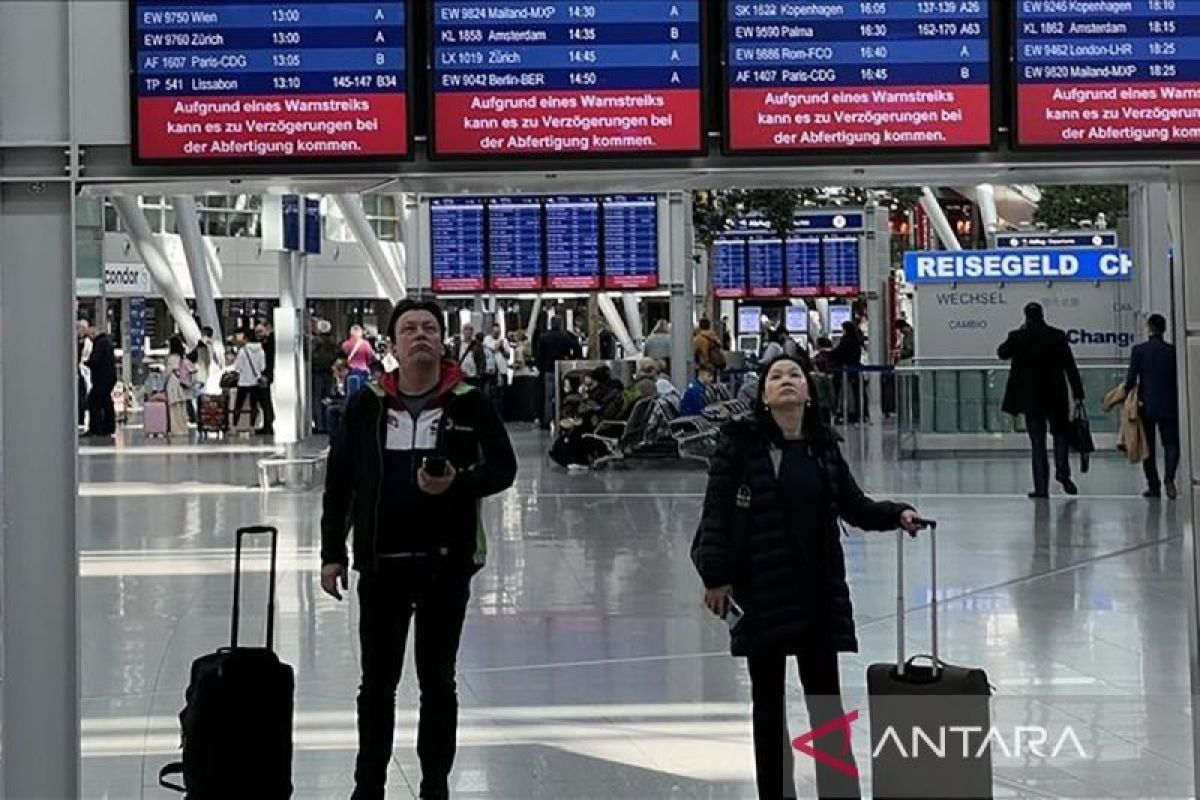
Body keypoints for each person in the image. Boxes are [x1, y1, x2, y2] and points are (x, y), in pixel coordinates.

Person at [694, 354, 923, 799]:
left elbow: (853, 505)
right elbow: (715, 515)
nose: (786, 381)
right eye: (775, 376)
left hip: (817, 591)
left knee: (826, 704)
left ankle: (839, 792)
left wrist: (897, 514)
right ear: (763, 395)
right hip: (762, 591)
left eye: (794, 375)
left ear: (808, 392)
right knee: (768, 707)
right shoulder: (739, 445)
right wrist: (715, 576)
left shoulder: (823, 447)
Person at [320, 298, 517, 800]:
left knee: (438, 682)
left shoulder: (469, 401)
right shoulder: (366, 404)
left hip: (445, 563)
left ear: (442, 339)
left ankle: (435, 786)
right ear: (392, 344)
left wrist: (458, 483)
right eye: (409, 328)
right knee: (376, 684)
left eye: (429, 327)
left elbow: (503, 468)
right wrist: (332, 551)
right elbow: (340, 481)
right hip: (381, 564)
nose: (420, 335)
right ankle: (369, 786)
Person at [998, 302, 1085, 498]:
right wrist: (1078, 393)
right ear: (1042, 315)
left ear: (1026, 316)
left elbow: (1002, 353)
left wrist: (1020, 331)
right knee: (1061, 435)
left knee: (1038, 443)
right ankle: (1062, 472)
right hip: (1056, 396)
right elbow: (1070, 366)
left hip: (1031, 399)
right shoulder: (1057, 336)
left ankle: (1041, 488)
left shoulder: (1018, 336)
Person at [1125, 313, 1180, 499]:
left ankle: (1153, 486)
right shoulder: (1173, 352)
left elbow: (1131, 380)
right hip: (1170, 404)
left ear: (1149, 328)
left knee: (1147, 447)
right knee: (1171, 444)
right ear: (1164, 329)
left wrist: (1125, 394)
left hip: (1146, 405)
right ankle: (1169, 478)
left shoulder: (1139, 351)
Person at [534, 317, 582, 430]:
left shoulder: (544, 337)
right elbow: (577, 348)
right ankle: (560, 419)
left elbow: (538, 355)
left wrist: (541, 367)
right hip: (562, 369)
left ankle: (547, 421)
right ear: (561, 324)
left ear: (550, 324)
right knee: (561, 395)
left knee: (548, 397)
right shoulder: (565, 337)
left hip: (547, 370)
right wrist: (570, 358)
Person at [232, 329, 268, 433]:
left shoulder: (242, 351)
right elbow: (263, 367)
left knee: (238, 405)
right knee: (254, 406)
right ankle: (252, 426)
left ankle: (235, 426)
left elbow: (237, 367)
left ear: (246, 339)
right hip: (255, 382)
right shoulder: (261, 351)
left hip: (243, 382)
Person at [85, 323, 117, 439]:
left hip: (101, 379)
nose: (89, 338)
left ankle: (96, 428)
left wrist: (86, 363)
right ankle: (108, 427)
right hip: (109, 378)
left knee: (94, 401)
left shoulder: (99, 343)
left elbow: (95, 360)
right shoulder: (107, 341)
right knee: (106, 401)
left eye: (89, 335)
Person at [311, 319, 341, 433]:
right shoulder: (333, 341)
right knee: (327, 398)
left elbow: (310, 354)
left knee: (317, 399)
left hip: (317, 372)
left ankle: (319, 425)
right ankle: (327, 423)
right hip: (329, 372)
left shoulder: (315, 341)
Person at [164, 335, 195, 438]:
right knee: (182, 408)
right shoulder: (182, 357)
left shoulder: (171, 358)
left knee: (174, 408)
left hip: (173, 383)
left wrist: (163, 384)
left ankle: (176, 430)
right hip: (182, 383)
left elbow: (167, 373)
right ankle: (183, 428)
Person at [255, 321, 276, 435]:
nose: (258, 335)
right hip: (265, 374)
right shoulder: (264, 344)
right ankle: (267, 422)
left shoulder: (268, 344)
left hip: (264, 374)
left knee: (265, 400)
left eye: (260, 332)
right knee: (264, 400)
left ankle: (268, 421)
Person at [344, 324, 375, 396]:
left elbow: (342, 356)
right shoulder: (365, 344)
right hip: (362, 372)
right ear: (361, 333)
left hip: (350, 371)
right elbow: (370, 357)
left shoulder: (346, 344)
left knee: (349, 392)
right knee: (363, 393)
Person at [77, 319, 93, 429]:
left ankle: (81, 418)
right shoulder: (75, 341)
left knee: (83, 395)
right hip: (79, 371)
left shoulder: (88, 343)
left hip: (84, 371)